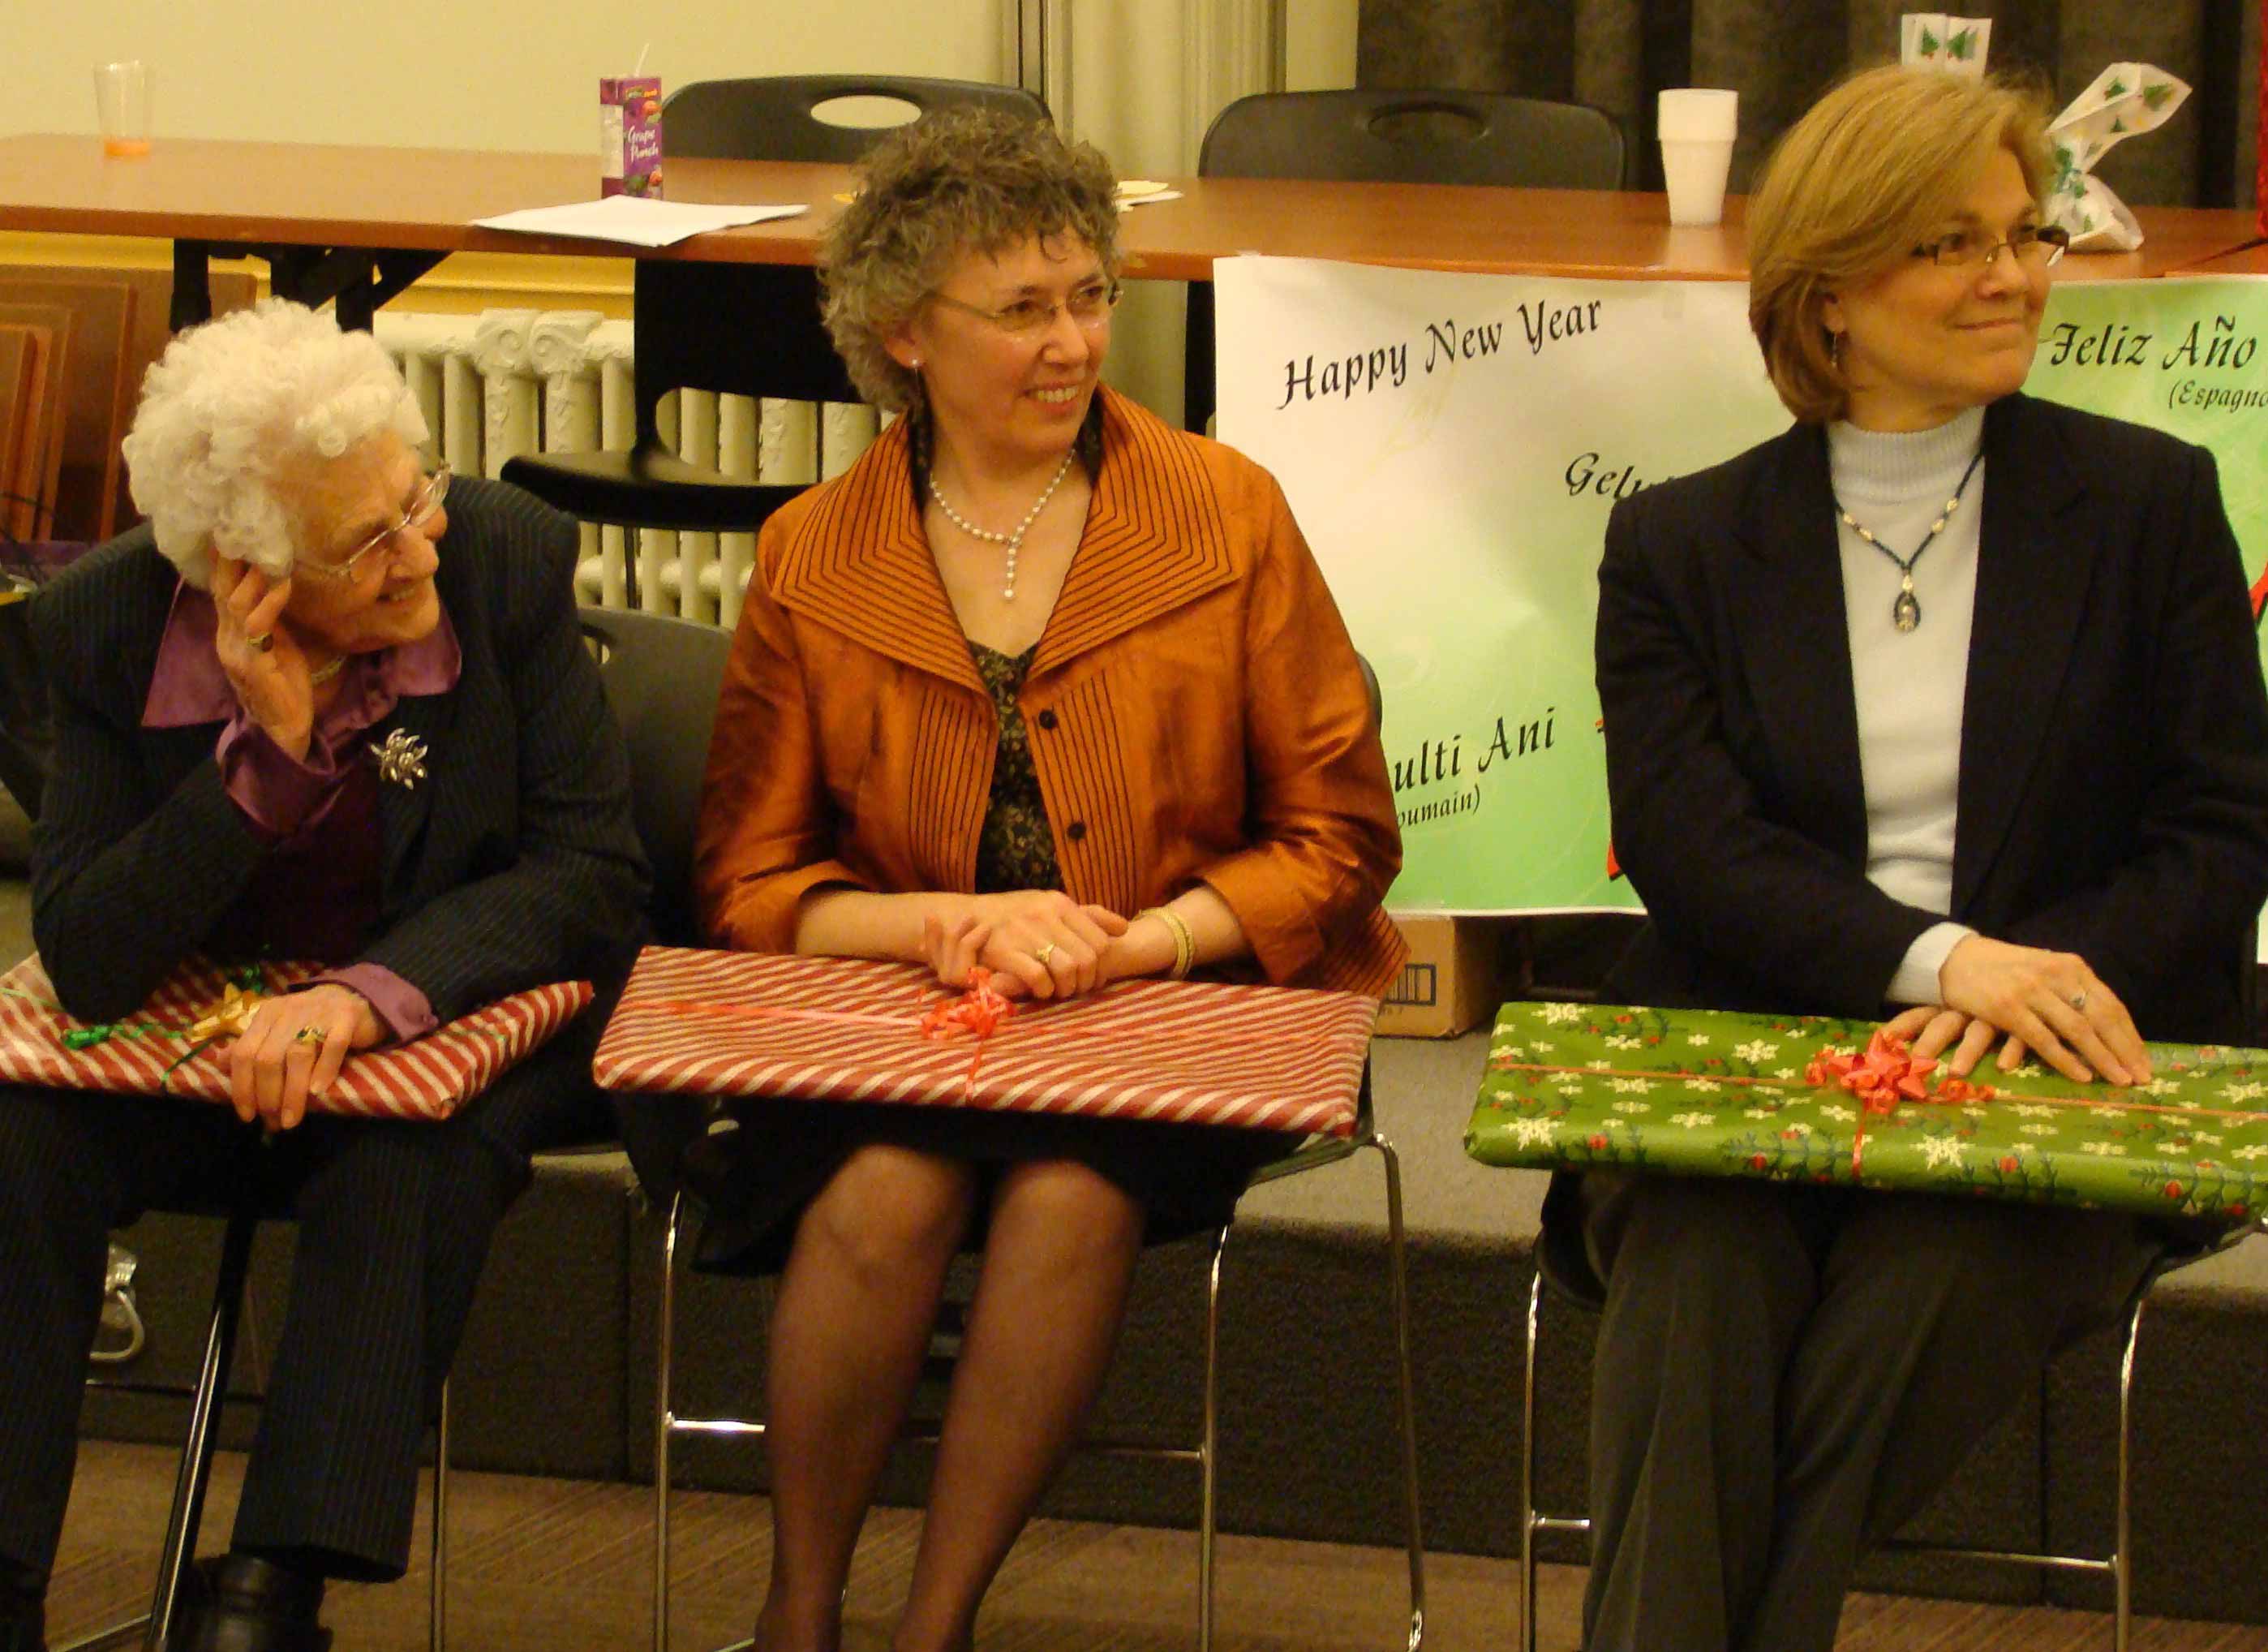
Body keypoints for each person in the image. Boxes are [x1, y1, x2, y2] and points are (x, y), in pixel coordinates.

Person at [1551, 65, 2268, 1652]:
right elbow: (1689, 848)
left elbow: (2221, 831)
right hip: (1761, 1043)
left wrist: (2025, 986)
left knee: (1909, 1295)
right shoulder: (1679, 544)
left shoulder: (2152, 506)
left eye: (2024, 235)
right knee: (1693, 1269)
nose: (2012, 274)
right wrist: (1936, 960)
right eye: (1951, 244)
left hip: (2058, 1072)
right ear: (1828, 301)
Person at [689, 107, 1404, 1652]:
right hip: (913, 1021)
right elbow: (747, 884)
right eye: (1022, 309)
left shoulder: (1224, 511)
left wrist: (1144, 944)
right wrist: (942, 926)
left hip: (1185, 1002)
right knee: (884, 1188)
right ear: (903, 334)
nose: (1073, 340)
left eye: (1091, 296)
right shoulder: (815, 550)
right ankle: (798, 1617)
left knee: (1073, 1192)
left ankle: (935, 1627)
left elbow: (1343, 837)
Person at [0, 300, 648, 1652]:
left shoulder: (502, 565)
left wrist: (367, 996)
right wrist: (258, 775)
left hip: (457, 1021)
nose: (420, 548)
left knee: (408, 1154)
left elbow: (589, 872)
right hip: (200, 1047)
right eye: (368, 542)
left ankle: (267, 1595)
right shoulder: (106, 629)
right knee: (18, 1135)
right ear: (247, 567)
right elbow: (89, 954)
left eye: (416, 498)